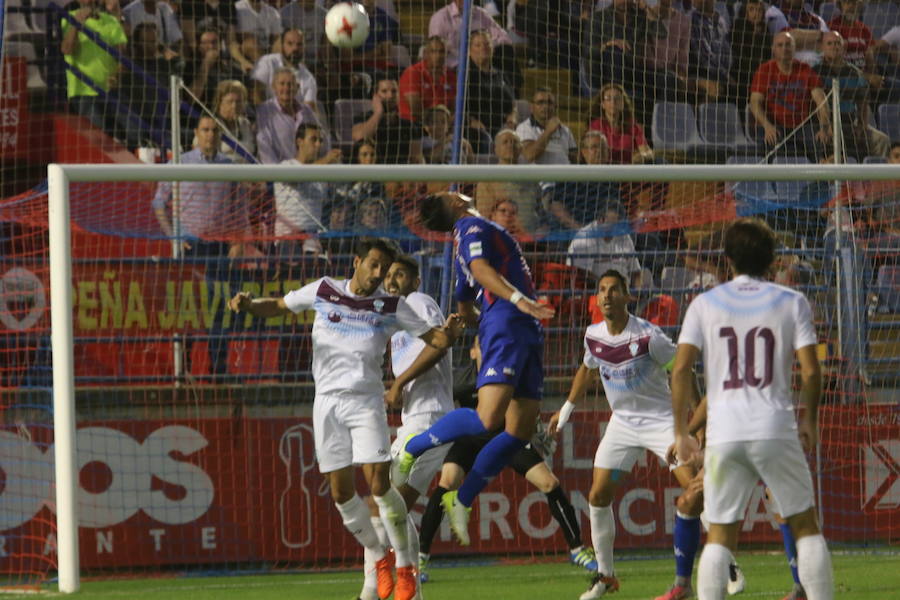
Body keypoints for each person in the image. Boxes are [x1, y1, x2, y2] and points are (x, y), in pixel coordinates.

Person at [228, 238, 462, 600]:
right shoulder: (324, 289)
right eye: (374, 265)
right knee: (341, 494)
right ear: (357, 262)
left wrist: (450, 333)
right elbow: (277, 305)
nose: (378, 274)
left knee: (380, 486)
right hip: (326, 404)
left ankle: (405, 570)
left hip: (367, 401)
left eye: (384, 269)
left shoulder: (391, 306)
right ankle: (380, 559)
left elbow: (436, 338)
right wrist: (249, 304)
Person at [671, 218, 834, 600]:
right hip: (774, 425)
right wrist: (810, 417)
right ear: (773, 260)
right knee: (805, 524)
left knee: (721, 535)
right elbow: (812, 371)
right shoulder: (792, 300)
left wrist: (681, 431)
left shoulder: (704, 303)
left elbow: (680, 370)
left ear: (727, 260)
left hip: (725, 433)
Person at [393, 191, 555, 546]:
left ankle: (461, 500)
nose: (457, 190)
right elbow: (481, 271)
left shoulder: (468, 240)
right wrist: (515, 303)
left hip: (522, 328)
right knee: (486, 419)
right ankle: (414, 447)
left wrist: (486, 319)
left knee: (518, 432)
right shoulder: (469, 227)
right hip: (511, 322)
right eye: (449, 191)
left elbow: (465, 308)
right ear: (453, 203)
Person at [549, 269, 704, 600]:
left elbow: (682, 370)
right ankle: (605, 577)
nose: (606, 295)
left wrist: (698, 421)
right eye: (602, 290)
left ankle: (725, 558)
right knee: (598, 496)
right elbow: (587, 370)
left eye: (614, 289)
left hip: (662, 421)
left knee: (694, 490)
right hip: (622, 424)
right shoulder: (593, 335)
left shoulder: (650, 337)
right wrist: (566, 409)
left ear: (627, 296)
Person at [417, 336, 598, 583]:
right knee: (446, 483)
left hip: (507, 438)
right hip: (470, 440)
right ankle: (420, 559)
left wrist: (533, 430)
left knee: (550, 484)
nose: (490, 350)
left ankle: (578, 550)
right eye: (483, 346)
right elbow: (444, 408)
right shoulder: (460, 381)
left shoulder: (508, 375)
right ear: (473, 352)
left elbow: (526, 406)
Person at [356, 256, 456, 600]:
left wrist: (399, 383)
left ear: (415, 281)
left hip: (430, 419)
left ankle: (371, 593)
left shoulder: (419, 303)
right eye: (389, 275)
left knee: (380, 503)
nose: (392, 280)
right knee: (394, 508)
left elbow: (440, 344)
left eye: (400, 274)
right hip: (421, 419)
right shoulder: (396, 322)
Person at [153, 115, 255, 377]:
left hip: (220, 248)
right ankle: (183, 370)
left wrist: (238, 241)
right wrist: (174, 236)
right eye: (206, 130)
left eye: (215, 130)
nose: (210, 135)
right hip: (192, 248)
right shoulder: (180, 163)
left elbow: (240, 209)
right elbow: (158, 203)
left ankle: (217, 371)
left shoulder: (230, 166)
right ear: (197, 133)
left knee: (220, 310)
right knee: (188, 310)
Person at [749, 31, 831, 161]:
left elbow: (821, 101)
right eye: (780, 45)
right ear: (773, 49)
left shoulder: (805, 70)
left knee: (820, 144)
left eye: (788, 45)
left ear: (794, 48)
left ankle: (820, 178)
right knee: (773, 146)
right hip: (773, 124)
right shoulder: (764, 70)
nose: (784, 48)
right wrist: (767, 126)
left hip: (802, 126)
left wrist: (824, 128)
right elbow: (754, 103)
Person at [60, 0, 132, 145]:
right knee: (98, 137)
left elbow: (122, 56)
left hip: (111, 89)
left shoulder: (110, 20)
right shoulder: (68, 17)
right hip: (84, 90)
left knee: (134, 129)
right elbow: (67, 49)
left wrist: (117, 75)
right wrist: (77, 23)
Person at [814, 31, 890, 160]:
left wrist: (861, 125)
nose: (834, 46)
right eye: (830, 43)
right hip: (823, 122)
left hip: (850, 121)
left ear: (843, 47)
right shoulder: (815, 72)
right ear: (822, 47)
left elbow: (863, 102)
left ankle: (880, 179)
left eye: (838, 43)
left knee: (882, 140)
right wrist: (825, 126)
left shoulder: (854, 73)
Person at [273, 122, 342, 262]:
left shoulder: (323, 174)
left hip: (314, 240)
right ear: (300, 142)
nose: (318, 144)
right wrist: (326, 160)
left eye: (320, 140)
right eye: (313, 139)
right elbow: (296, 178)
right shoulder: (286, 166)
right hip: (288, 239)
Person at [545, 130, 621, 230]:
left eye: (603, 147)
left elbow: (615, 209)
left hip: (603, 231)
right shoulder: (571, 175)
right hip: (573, 230)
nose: (599, 151)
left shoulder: (613, 177)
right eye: (594, 147)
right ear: (584, 152)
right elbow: (555, 204)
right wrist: (579, 229)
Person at [474, 129, 543, 237]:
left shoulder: (531, 180)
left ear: (520, 149)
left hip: (533, 240)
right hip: (502, 239)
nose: (510, 145)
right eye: (505, 142)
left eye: (514, 142)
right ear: (496, 149)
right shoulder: (487, 181)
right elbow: (484, 217)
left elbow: (541, 213)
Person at [256, 67, 328, 164]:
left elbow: (322, 136)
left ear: (297, 87)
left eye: (290, 84)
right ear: (273, 87)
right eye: (282, 84)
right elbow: (264, 146)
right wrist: (274, 174)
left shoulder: (306, 110)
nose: (286, 88)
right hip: (280, 172)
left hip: (308, 170)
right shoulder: (265, 110)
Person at [463, 30, 517, 153]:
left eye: (487, 44)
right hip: (477, 128)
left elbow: (513, 103)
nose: (484, 48)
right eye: (478, 45)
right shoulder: (464, 75)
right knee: (484, 139)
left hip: (503, 126)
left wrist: (513, 115)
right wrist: (470, 121)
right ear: (469, 51)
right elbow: (458, 105)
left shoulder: (501, 74)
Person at [566, 206, 643, 290]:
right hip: (596, 295)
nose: (616, 228)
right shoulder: (584, 238)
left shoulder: (623, 236)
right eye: (613, 224)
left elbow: (635, 272)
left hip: (624, 294)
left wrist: (638, 292)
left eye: (619, 224)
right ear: (600, 220)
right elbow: (583, 275)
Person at [352, 76, 424, 164]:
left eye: (394, 91)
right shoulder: (363, 118)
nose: (390, 96)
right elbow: (359, 136)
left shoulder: (408, 125)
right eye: (384, 91)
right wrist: (378, 113)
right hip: (371, 174)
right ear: (375, 95)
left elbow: (417, 159)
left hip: (399, 175)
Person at [250, 28, 318, 112]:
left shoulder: (309, 78)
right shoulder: (267, 62)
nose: (295, 48)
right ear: (282, 45)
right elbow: (255, 93)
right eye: (290, 44)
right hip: (265, 117)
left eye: (299, 44)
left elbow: (309, 110)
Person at [587, 83, 653, 165]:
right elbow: (593, 153)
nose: (613, 102)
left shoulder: (632, 125)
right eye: (608, 98)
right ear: (603, 104)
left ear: (622, 104)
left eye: (617, 98)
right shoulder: (595, 126)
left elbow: (647, 151)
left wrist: (642, 156)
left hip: (628, 171)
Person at [398, 36, 457, 123]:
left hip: (443, 126)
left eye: (441, 52)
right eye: (433, 51)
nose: (438, 55)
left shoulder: (450, 75)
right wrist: (441, 123)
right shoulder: (412, 73)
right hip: (413, 125)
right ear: (425, 53)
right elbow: (416, 110)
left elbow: (453, 107)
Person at [185, 27, 247, 107]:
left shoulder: (232, 68)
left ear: (221, 45)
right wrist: (205, 65)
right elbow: (191, 99)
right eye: (205, 43)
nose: (211, 46)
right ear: (199, 47)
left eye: (214, 42)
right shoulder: (191, 67)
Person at [515, 87, 578, 165]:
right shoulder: (523, 128)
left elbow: (574, 159)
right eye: (540, 102)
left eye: (550, 102)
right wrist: (548, 131)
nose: (545, 106)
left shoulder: (565, 130)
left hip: (565, 175)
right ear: (531, 107)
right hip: (539, 176)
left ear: (555, 106)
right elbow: (530, 155)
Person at [729, 0, 771, 105]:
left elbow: (767, 55)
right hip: (741, 73)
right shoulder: (739, 26)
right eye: (752, 9)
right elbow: (740, 54)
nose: (756, 13)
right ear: (745, 12)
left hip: (761, 73)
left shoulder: (765, 29)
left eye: (759, 10)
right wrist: (755, 36)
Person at [764, 0, 828, 66]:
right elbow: (789, 39)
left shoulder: (815, 18)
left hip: (820, 63)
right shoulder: (774, 12)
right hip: (792, 65)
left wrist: (801, 39)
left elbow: (828, 39)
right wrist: (819, 37)